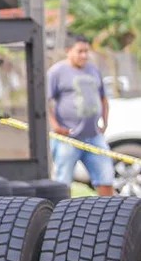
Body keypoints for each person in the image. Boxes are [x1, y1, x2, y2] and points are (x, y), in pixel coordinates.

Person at [48, 35, 115, 195]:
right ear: (68, 51)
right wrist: (56, 126)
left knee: (106, 178)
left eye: (86, 51)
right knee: (62, 184)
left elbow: (103, 98)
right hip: (68, 138)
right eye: (80, 51)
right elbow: (46, 101)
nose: (84, 55)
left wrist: (104, 122)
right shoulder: (57, 72)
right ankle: (62, 216)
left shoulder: (93, 70)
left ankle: (109, 215)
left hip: (93, 136)